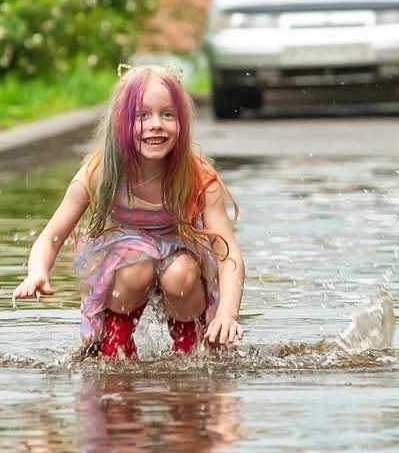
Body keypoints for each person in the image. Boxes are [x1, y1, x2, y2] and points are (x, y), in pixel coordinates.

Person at [13, 63, 245, 359]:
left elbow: (229, 254)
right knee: (138, 264)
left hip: (180, 253)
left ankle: (190, 352)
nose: (156, 124)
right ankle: (115, 349)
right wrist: (37, 273)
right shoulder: (100, 173)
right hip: (123, 259)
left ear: (182, 124)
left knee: (181, 273)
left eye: (168, 114)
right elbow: (51, 237)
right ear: (120, 123)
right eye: (142, 115)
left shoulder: (197, 177)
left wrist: (227, 313)